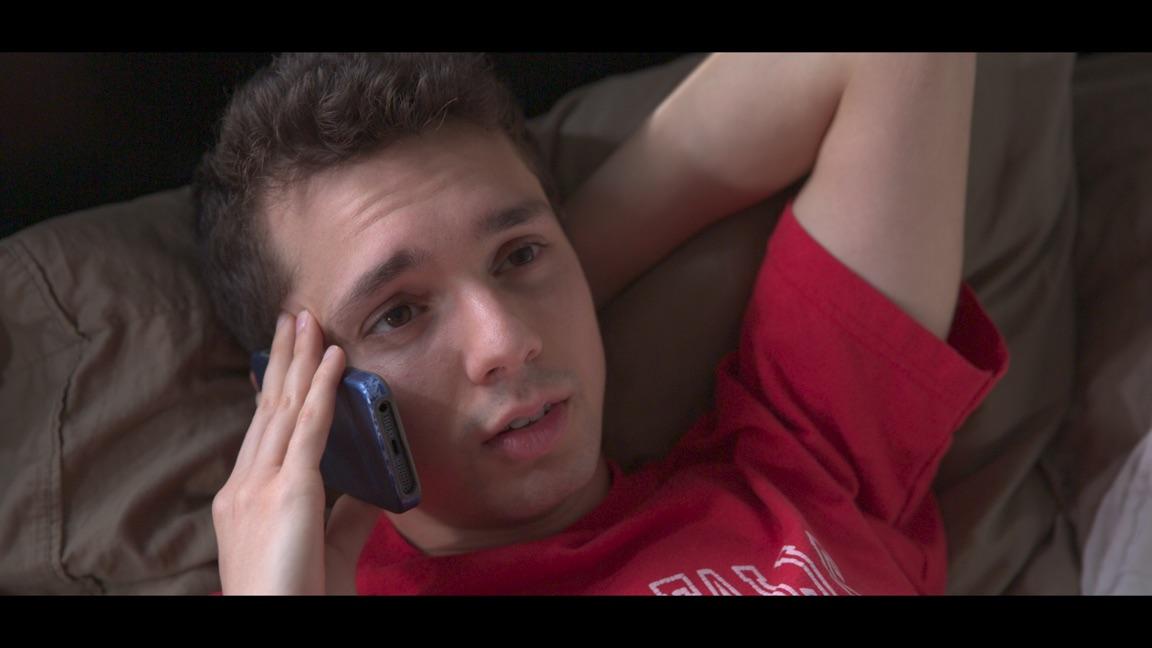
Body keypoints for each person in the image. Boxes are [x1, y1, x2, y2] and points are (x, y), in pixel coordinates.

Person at [194, 52, 1008, 595]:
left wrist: (571, 258)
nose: (507, 340)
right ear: (302, 392)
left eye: (519, 256)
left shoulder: (799, 466)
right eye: (398, 313)